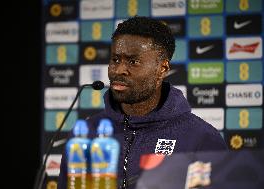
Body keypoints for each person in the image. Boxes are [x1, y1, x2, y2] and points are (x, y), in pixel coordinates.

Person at [58, 16, 227, 189]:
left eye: (133, 62)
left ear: (162, 69)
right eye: (115, 59)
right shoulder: (86, 135)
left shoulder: (200, 138)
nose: (119, 70)